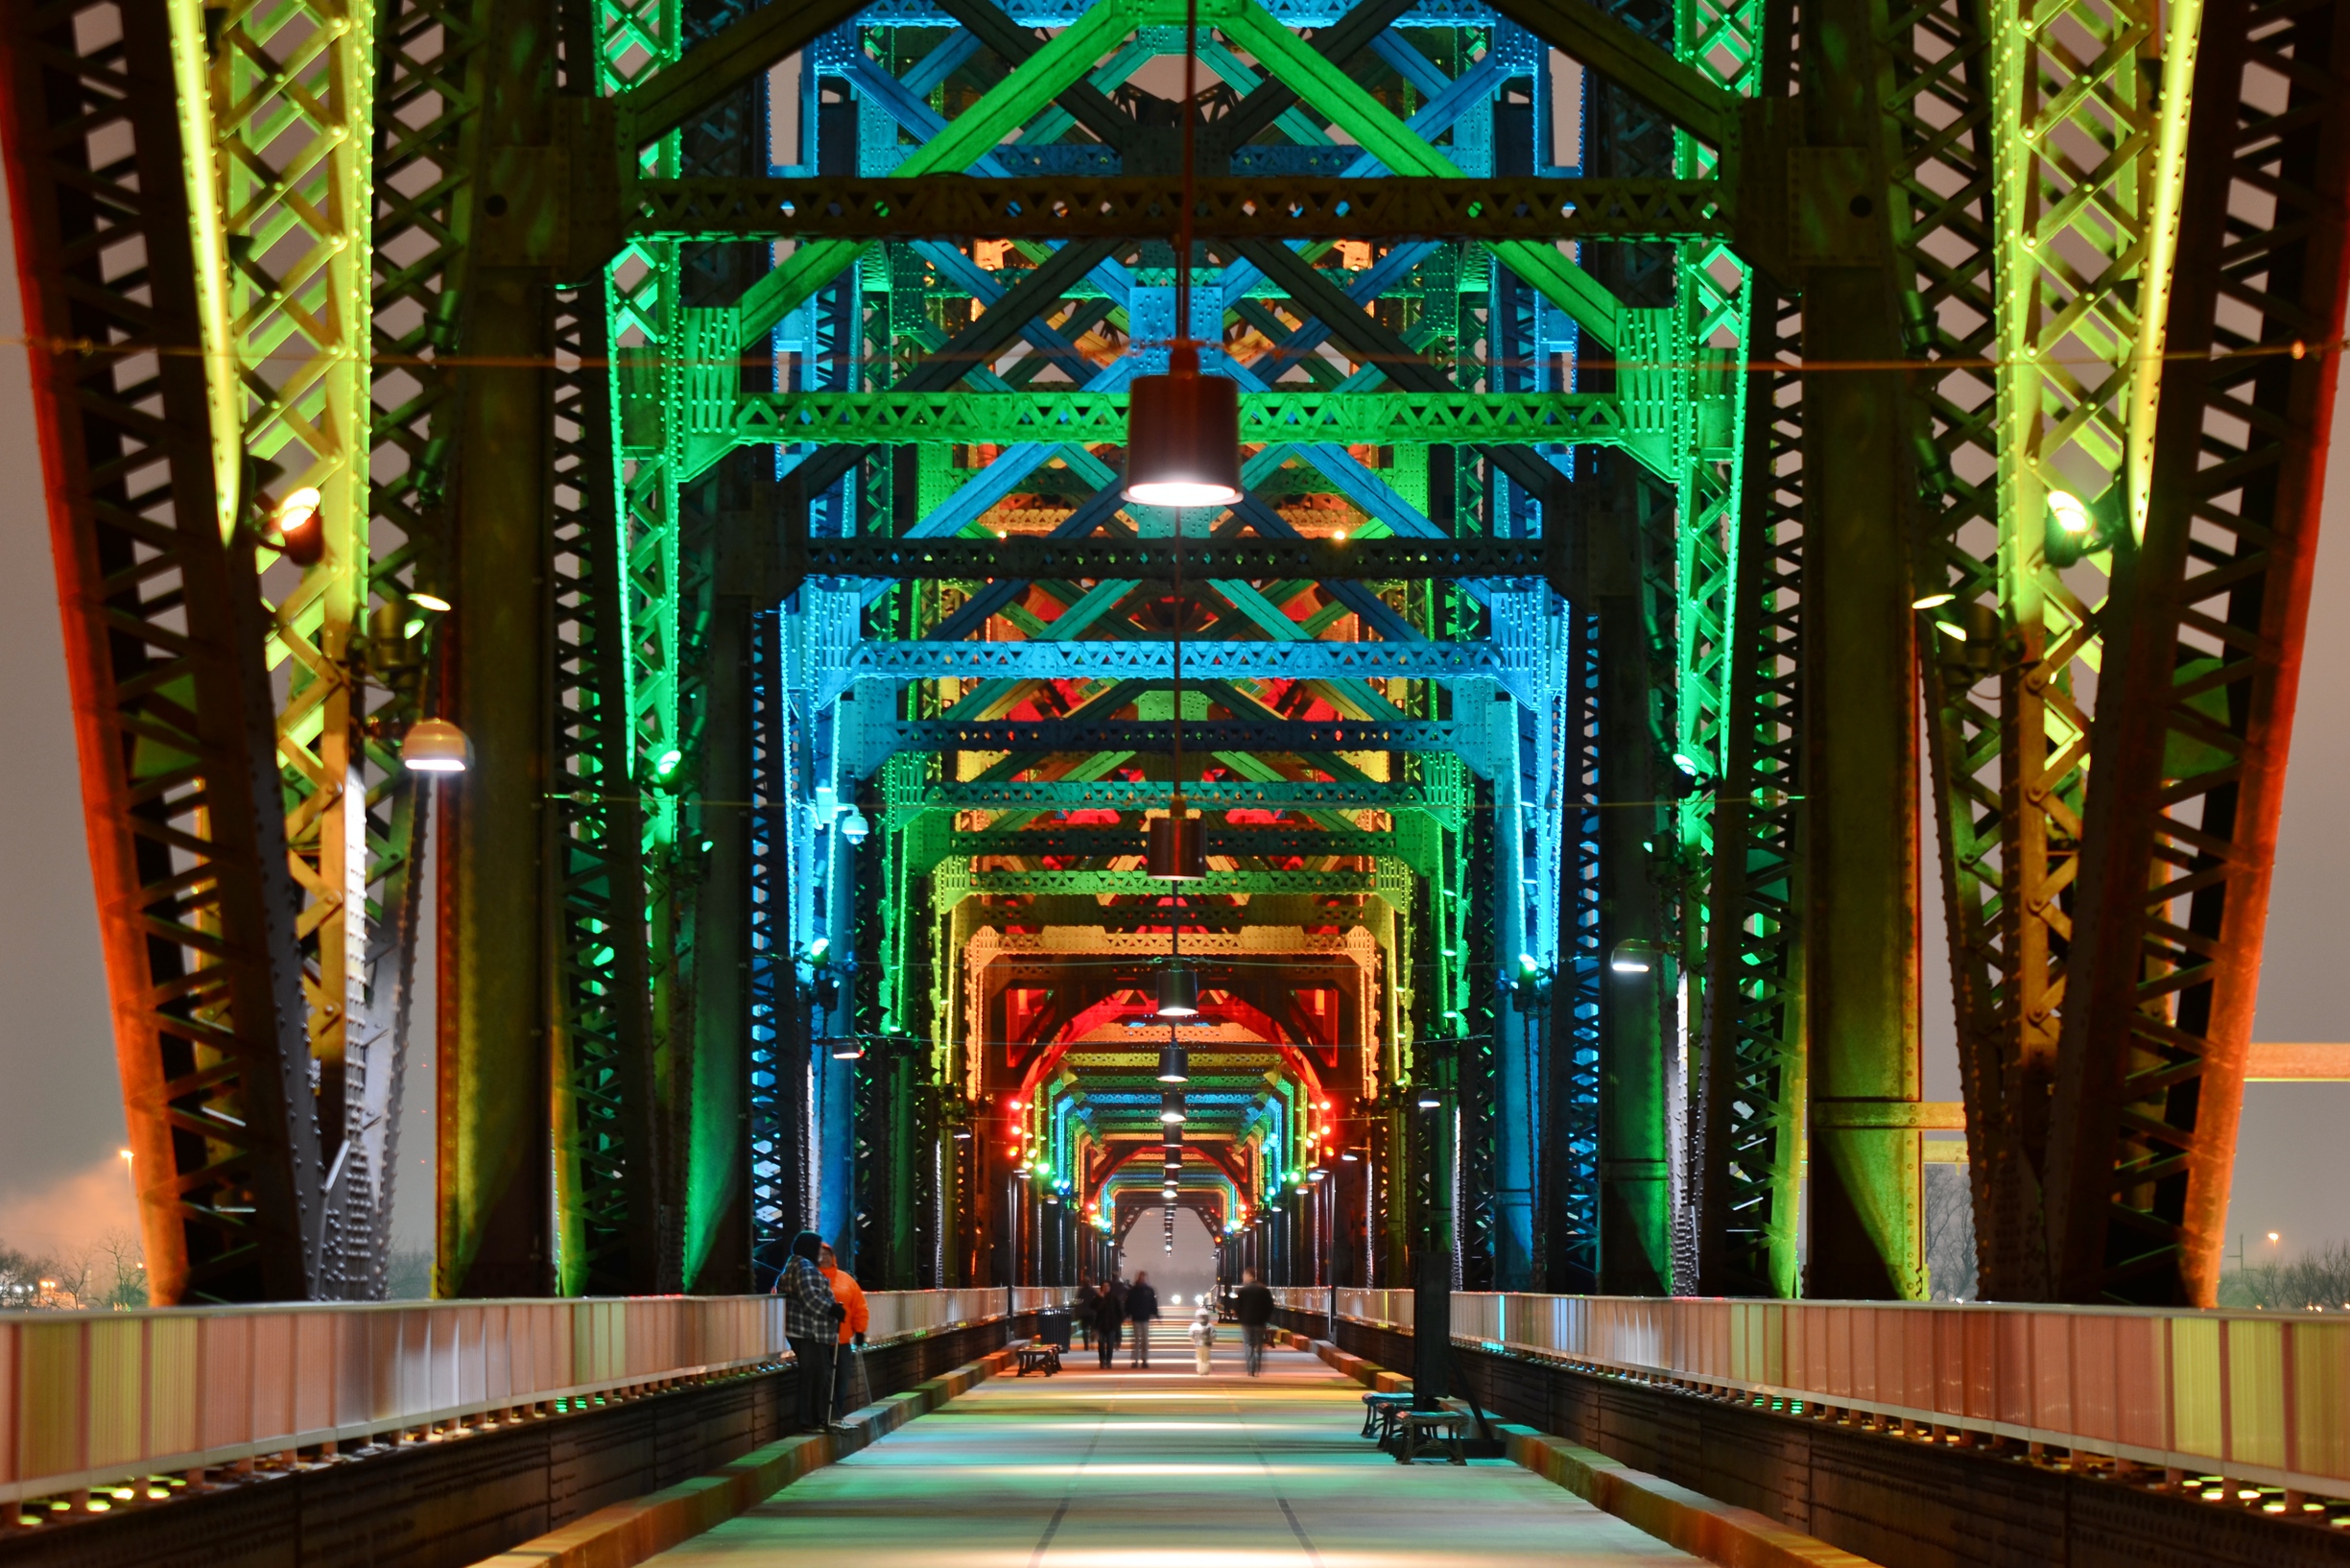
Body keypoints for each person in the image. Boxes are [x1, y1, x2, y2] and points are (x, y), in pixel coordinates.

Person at [773, 1230, 843, 1432]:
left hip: (806, 1331)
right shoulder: (803, 1266)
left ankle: (817, 1418)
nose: (821, 1253)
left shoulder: (796, 1264)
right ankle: (812, 1420)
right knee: (816, 1375)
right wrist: (832, 1309)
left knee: (818, 1374)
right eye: (818, 1248)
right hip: (808, 1331)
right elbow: (809, 1298)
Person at [819, 1243, 869, 1422]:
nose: (823, 1257)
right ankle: (826, 1417)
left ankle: (836, 1415)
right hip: (820, 1340)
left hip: (843, 1340)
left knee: (841, 1381)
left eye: (827, 1254)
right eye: (820, 1254)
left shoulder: (846, 1280)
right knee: (823, 1383)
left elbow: (859, 1306)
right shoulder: (812, 1278)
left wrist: (860, 1330)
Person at [1234, 1268, 1273, 1377]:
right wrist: (1265, 1318)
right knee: (1259, 1345)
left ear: (1249, 1276)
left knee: (1248, 1344)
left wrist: (1241, 1318)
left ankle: (1251, 1367)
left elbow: (1237, 1307)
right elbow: (1270, 1306)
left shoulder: (1243, 1291)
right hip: (1260, 1322)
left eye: (1244, 1276)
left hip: (1246, 1322)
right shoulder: (1264, 1290)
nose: (1243, 1278)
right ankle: (1257, 1367)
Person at [1088, 1277, 1126, 1369]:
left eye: (1108, 1286)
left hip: (1111, 1325)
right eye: (1104, 1286)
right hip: (1100, 1325)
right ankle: (1102, 1360)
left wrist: (1120, 1321)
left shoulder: (1114, 1298)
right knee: (1101, 1344)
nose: (1106, 1287)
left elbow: (1119, 1310)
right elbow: (1093, 1306)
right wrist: (1099, 1298)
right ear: (1102, 1287)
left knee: (1110, 1344)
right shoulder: (1099, 1297)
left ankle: (1108, 1360)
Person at [1126, 1271, 1160, 1368]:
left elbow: (1153, 1303)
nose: (1142, 1279)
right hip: (1136, 1318)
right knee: (1136, 1340)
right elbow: (1128, 1303)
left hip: (1145, 1317)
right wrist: (1127, 1313)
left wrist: (1155, 1313)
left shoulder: (1149, 1290)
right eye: (1141, 1277)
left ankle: (1144, 1359)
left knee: (1145, 1340)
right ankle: (1135, 1360)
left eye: (1143, 1277)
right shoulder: (1134, 1290)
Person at [1188, 1303, 1217, 1375]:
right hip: (1207, 1344)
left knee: (1199, 1357)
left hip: (1198, 1344)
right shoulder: (1210, 1326)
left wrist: (1194, 1341)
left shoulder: (1194, 1325)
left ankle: (1200, 1370)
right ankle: (1206, 1370)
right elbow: (1213, 1335)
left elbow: (1191, 1335)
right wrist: (1211, 1341)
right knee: (1206, 1358)